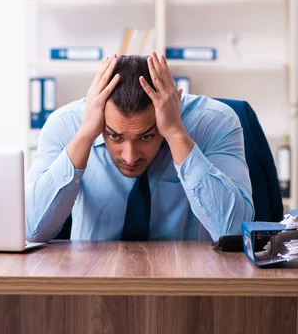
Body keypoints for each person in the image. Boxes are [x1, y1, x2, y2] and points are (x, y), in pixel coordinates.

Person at [25, 52, 254, 242]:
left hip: (187, 280)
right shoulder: (66, 124)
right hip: (92, 282)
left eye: (146, 137)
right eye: (114, 136)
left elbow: (232, 232)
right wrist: (85, 135)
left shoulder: (213, 122)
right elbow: (31, 230)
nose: (130, 156)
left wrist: (175, 133)